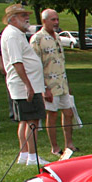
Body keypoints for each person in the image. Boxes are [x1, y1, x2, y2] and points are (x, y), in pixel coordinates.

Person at [0, 3, 49, 165]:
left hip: (25, 84)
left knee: (24, 120)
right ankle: (33, 156)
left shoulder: (15, 34)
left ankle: (24, 154)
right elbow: (16, 62)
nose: (26, 18)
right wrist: (28, 85)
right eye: (22, 16)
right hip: (25, 85)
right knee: (32, 121)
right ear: (12, 19)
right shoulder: (12, 35)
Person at [31, 9, 75, 156]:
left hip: (62, 83)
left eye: (57, 19)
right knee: (52, 114)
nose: (56, 22)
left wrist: (67, 85)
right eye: (52, 20)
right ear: (44, 21)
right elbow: (36, 65)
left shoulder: (57, 37)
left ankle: (69, 143)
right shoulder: (37, 39)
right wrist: (45, 88)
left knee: (68, 112)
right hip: (49, 84)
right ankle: (55, 147)